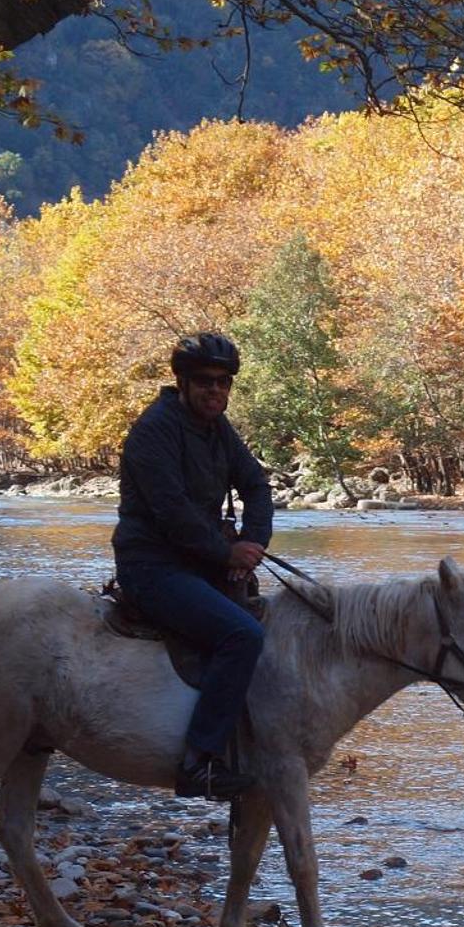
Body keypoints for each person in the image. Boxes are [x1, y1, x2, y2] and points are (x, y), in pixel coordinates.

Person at [112, 332, 274, 800]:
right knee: (242, 634)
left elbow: (256, 487)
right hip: (153, 566)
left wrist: (253, 542)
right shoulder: (154, 430)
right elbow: (172, 512)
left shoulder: (218, 429)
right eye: (205, 382)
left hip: (200, 562)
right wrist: (227, 554)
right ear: (181, 382)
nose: (216, 391)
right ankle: (198, 761)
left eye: (224, 383)